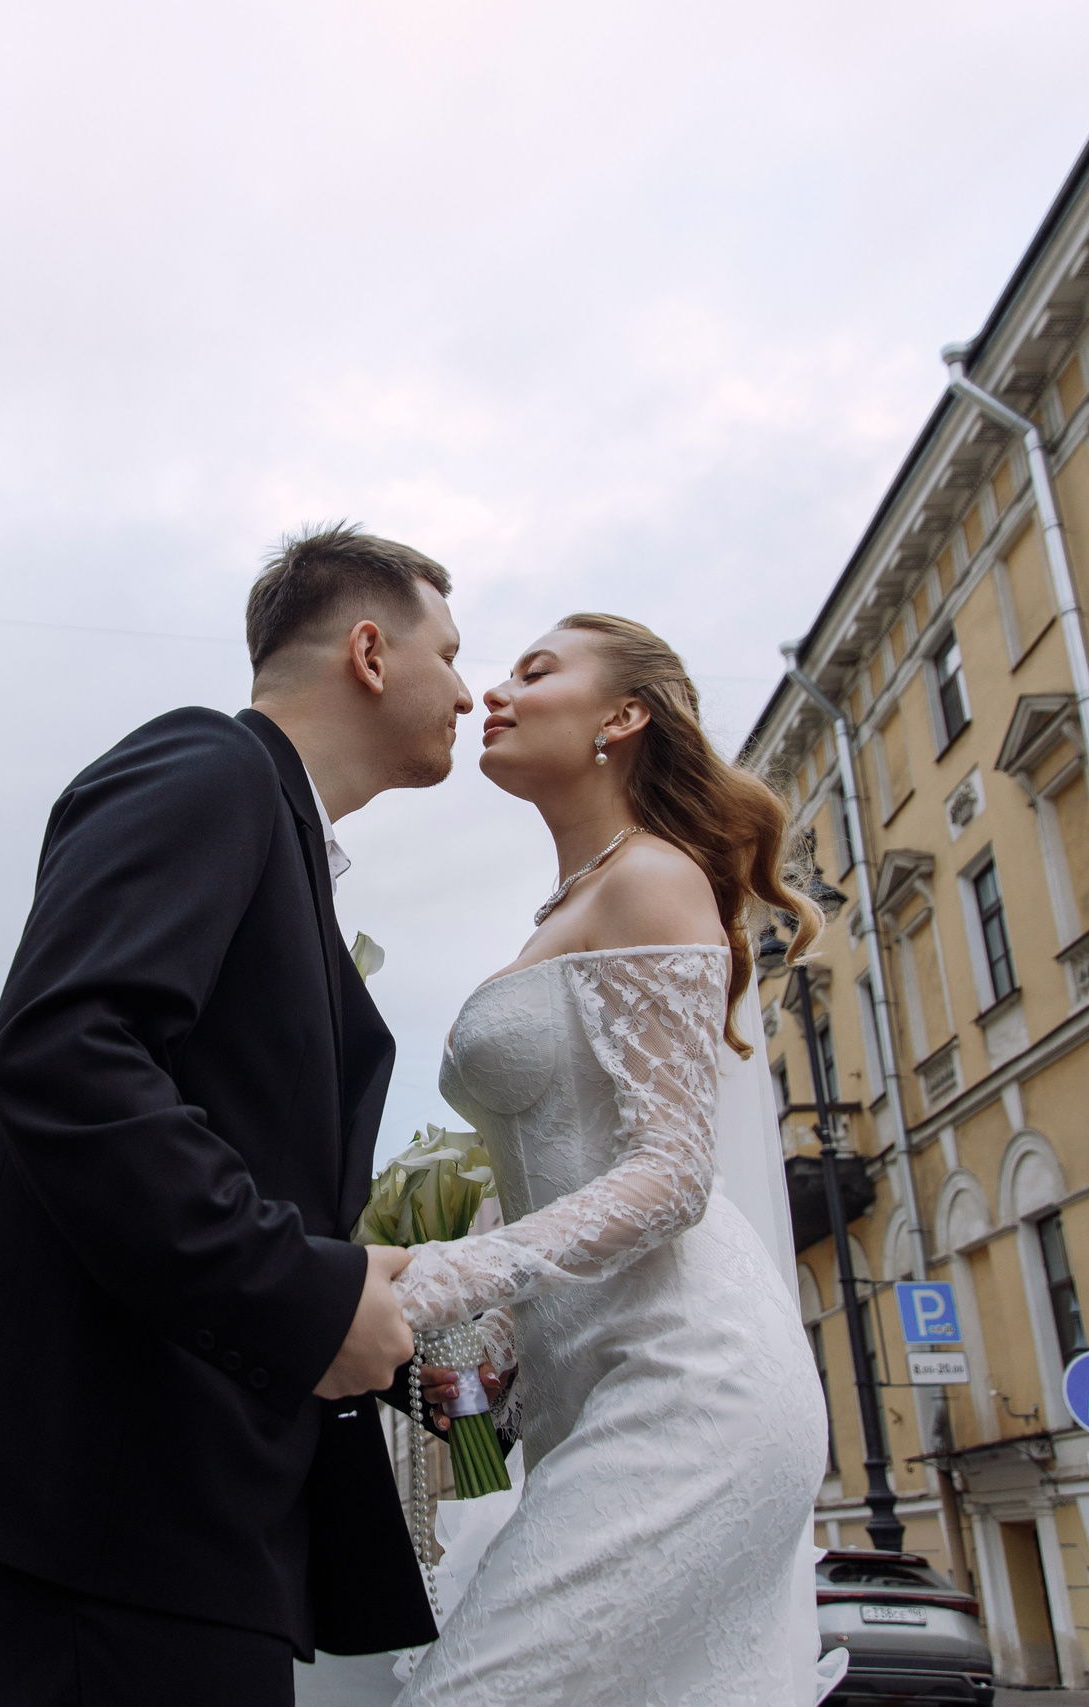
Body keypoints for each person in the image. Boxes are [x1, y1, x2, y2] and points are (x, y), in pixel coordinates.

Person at [0, 525, 467, 1704]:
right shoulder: (209, 767)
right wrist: (310, 1298)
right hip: (95, 1497)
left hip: (173, 1509)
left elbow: (246, 1170)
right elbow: (68, 1051)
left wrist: (403, 1353)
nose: (471, 687)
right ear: (372, 653)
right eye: (453, 651)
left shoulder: (279, 839)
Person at [388, 615, 833, 1704]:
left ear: (622, 718)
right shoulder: (569, 906)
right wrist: (475, 1334)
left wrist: (432, 1283)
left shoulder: (652, 879)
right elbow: (553, 1171)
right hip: (580, 1386)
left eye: (536, 672)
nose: (496, 690)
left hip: (692, 1377)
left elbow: (672, 1175)